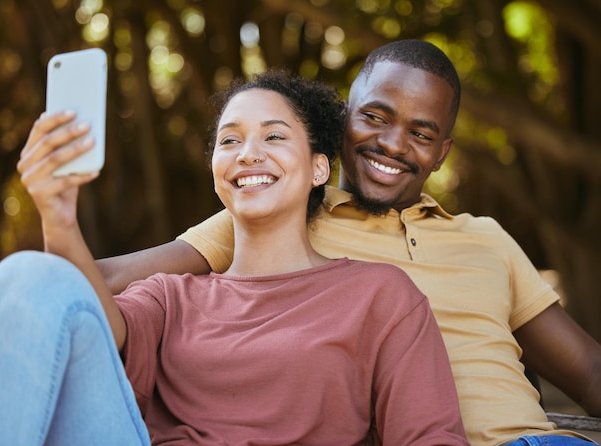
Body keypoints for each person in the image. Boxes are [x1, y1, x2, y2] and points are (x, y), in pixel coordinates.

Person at [80, 39, 601, 445]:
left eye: (421, 134)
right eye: (375, 117)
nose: (392, 144)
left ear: (442, 153)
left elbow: (587, 371)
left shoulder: (486, 238)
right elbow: (106, 282)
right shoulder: (284, 214)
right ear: (343, 117)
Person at [0, 70, 468, 445]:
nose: (248, 154)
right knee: (29, 273)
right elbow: (90, 331)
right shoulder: (171, 296)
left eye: (274, 136)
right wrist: (58, 216)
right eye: (230, 140)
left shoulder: (380, 296)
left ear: (320, 167)